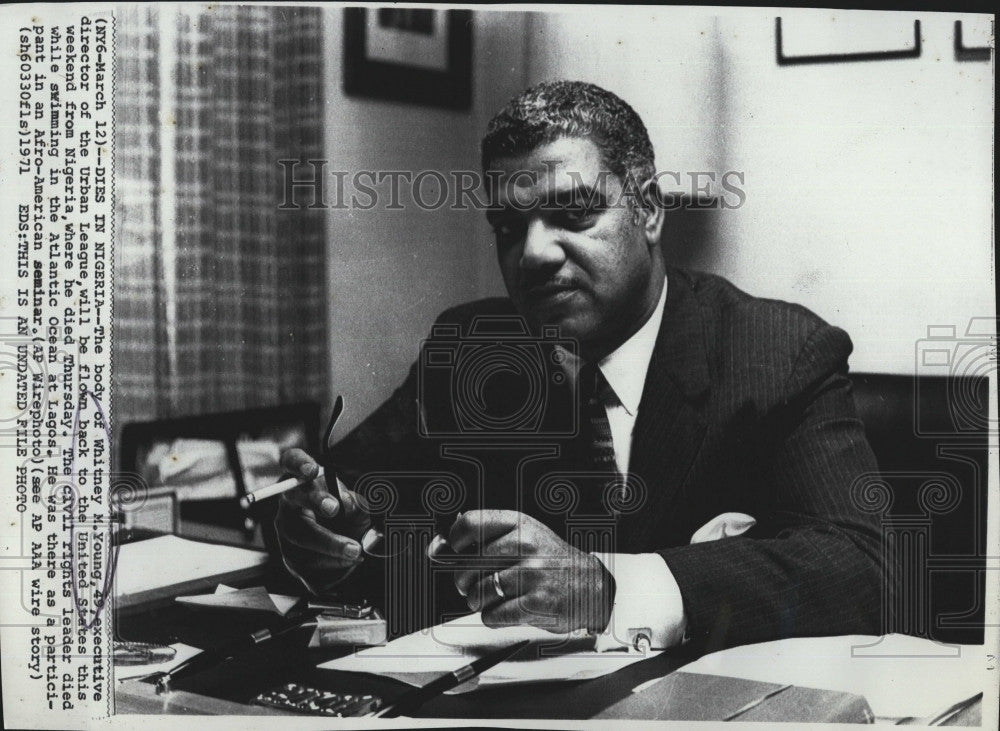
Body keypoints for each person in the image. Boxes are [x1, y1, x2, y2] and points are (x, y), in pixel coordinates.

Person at [275, 80, 884, 651]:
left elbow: (865, 570)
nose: (534, 252)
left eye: (573, 214)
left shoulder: (777, 351)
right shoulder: (470, 348)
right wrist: (328, 533)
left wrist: (607, 589)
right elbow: (350, 507)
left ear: (648, 211)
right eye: (509, 227)